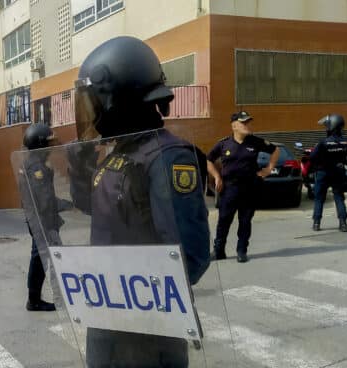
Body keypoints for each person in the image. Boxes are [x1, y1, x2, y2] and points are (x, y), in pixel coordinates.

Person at [74, 36, 210, 367]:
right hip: (108, 314)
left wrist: (132, 287)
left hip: (148, 329)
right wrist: (80, 167)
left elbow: (188, 257)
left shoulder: (166, 157)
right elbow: (100, 212)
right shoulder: (120, 152)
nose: (90, 113)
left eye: (94, 102)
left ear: (119, 97)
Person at [207, 111, 279, 263]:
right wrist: (217, 176)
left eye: (248, 122)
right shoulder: (223, 144)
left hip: (249, 188)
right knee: (224, 221)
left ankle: (241, 251)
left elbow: (275, 150)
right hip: (229, 189)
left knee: (245, 221)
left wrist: (268, 169)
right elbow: (208, 160)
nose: (248, 125)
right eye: (244, 123)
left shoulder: (255, 142)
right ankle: (219, 251)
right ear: (234, 126)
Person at [18, 123, 62, 312]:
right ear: (40, 145)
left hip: (36, 218)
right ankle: (34, 300)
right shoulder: (37, 169)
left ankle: (34, 298)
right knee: (41, 258)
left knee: (40, 257)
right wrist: (68, 205)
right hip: (41, 220)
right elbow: (44, 201)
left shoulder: (30, 164)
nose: (52, 147)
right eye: (48, 144)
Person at [310, 114, 347, 232]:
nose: (326, 128)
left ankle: (316, 223)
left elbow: (312, 158)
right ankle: (343, 224)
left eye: (327, 126)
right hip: (338, 172)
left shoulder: (322, 143)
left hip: (323, 173)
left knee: (319, 198)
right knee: (338, 197)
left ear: (331, 126)